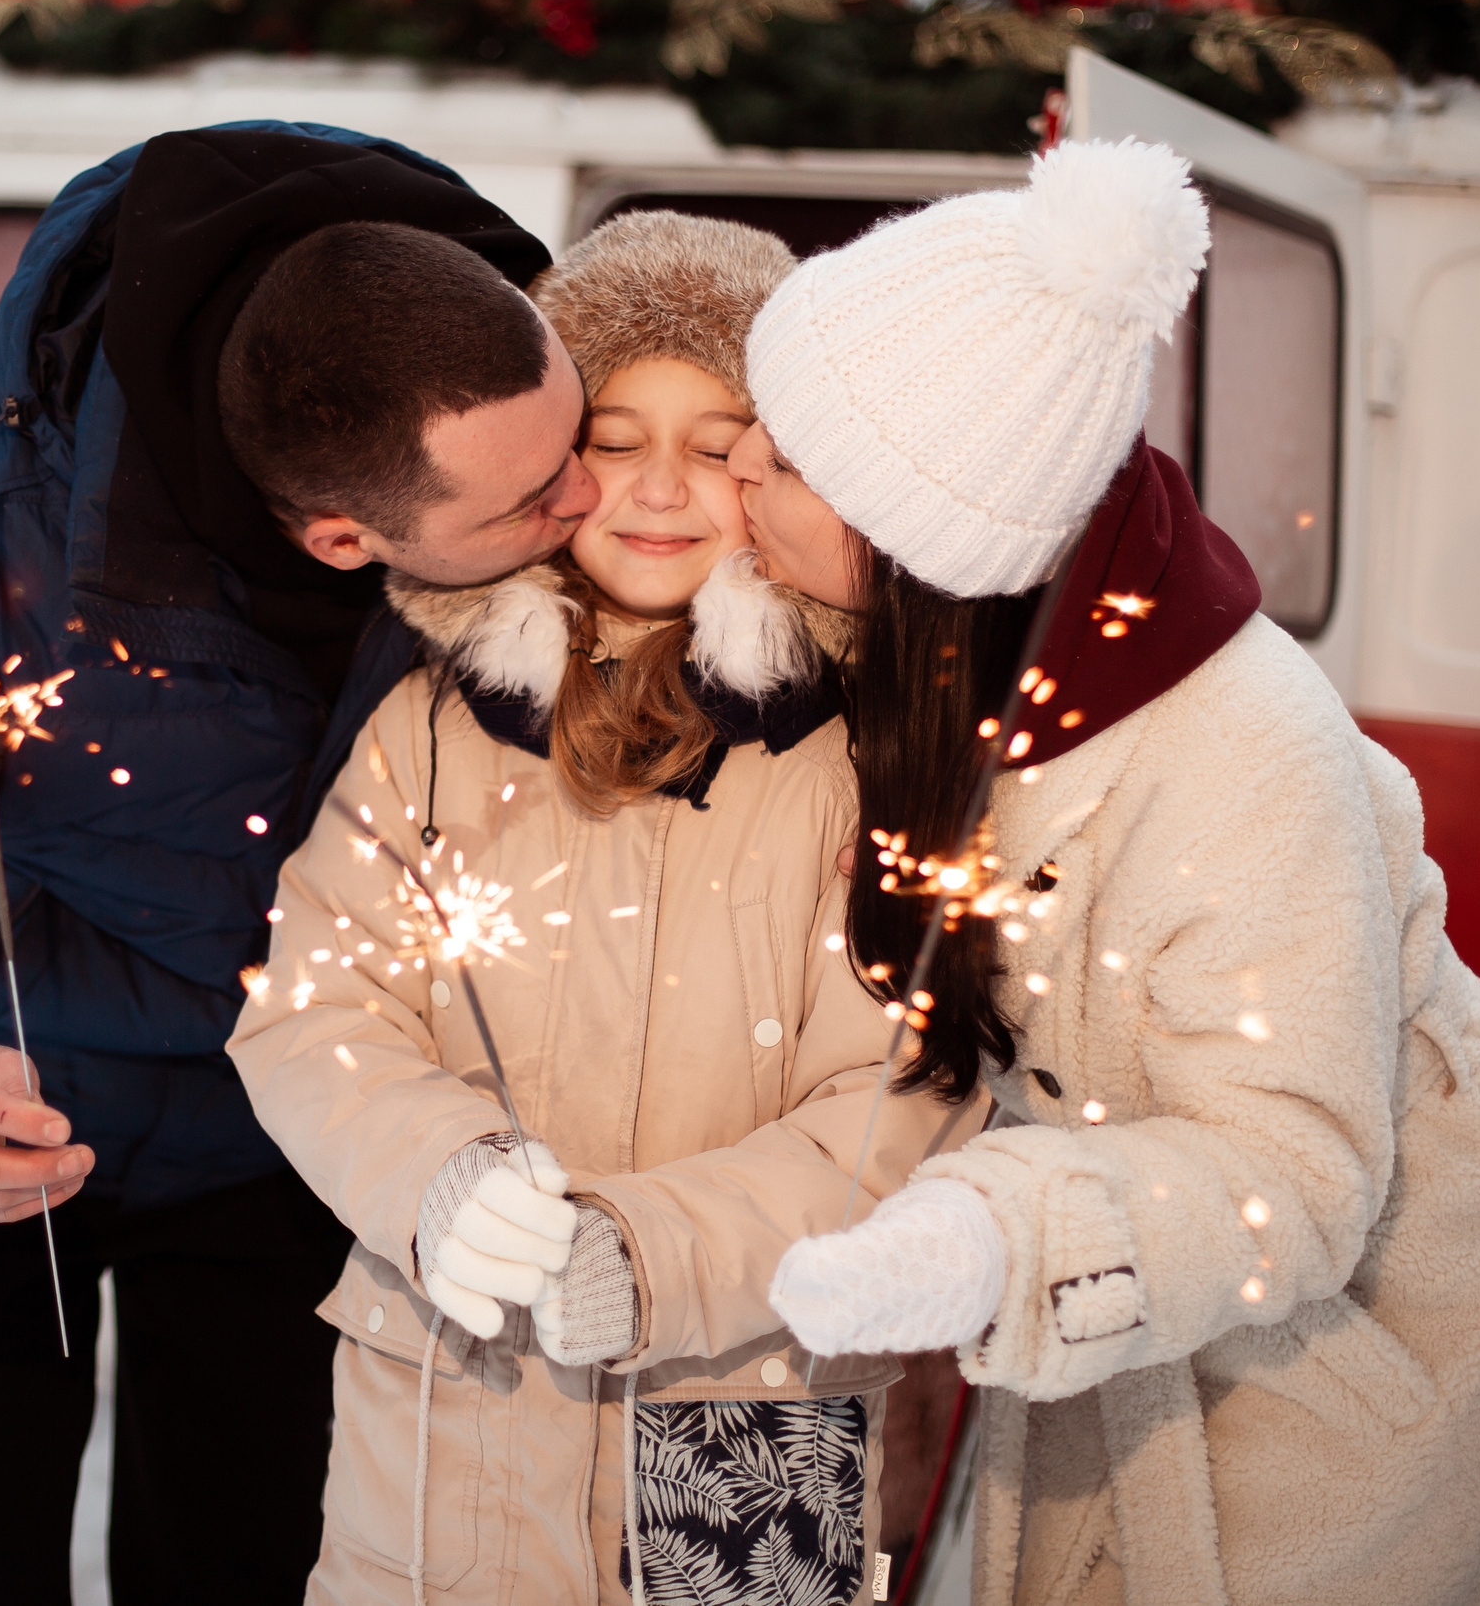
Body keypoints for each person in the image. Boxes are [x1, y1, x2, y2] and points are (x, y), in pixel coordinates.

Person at [0, 123, 599, 1606]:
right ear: (337, 537)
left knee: (238, 1562)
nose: (584, 504)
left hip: (292, 1134)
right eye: (529, 501)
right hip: (8, 1113)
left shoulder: (502, 387)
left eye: (577, 438)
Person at [738, 140, 1480, 1605]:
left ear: (921, 540)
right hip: (1124, 1324)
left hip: (1347, 1377)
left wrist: (990, 1237)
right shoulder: (963, 650)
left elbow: (1294, 1173)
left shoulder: (1239, 752)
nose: (734, 475)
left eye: (783, 458)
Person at [226, 211, 985, 1606]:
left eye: (718, 444)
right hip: (453, 1409)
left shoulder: (865, 761)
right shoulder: (434, 733)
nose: (658, 487)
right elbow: (310, 1009)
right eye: (616, 436)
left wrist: (648, 1256)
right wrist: (434, 1173)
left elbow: (899, 1106)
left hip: (755, 1404)